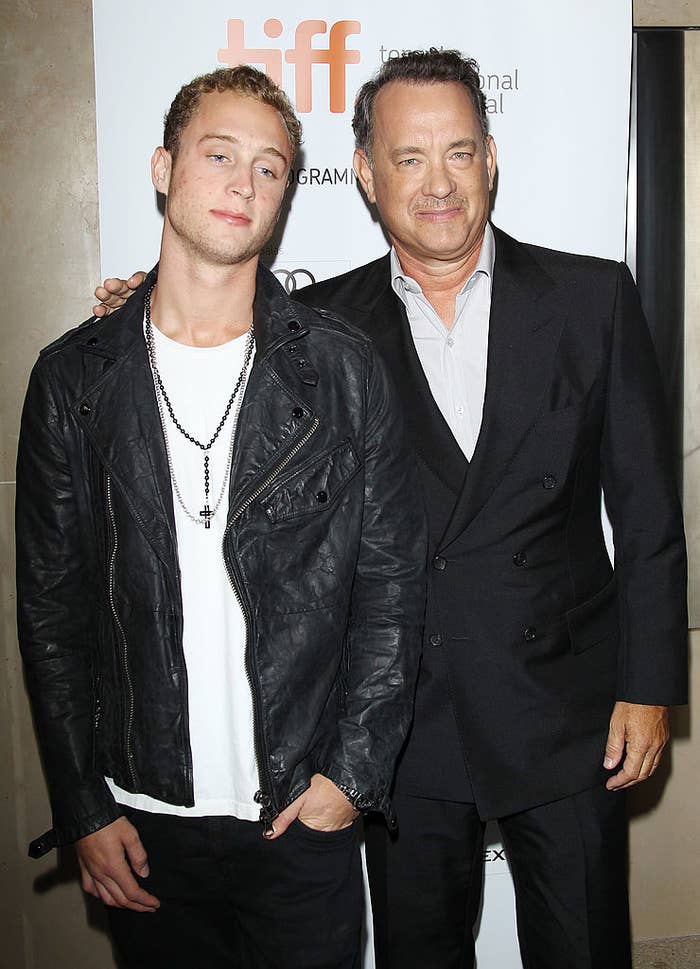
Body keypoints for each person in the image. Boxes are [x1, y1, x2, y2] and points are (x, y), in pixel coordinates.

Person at [93, 50, 688, 969]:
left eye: (459, 152)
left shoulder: (592, 297)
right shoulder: (313, 327)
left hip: (565, 713)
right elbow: (199, 313)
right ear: (367, 174)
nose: (439, 183)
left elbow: (648, 513)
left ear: (491, 157)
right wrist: (140, 303)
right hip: (404, 727)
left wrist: (649, 686)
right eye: (409, 158)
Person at [16, 65, 426, 969]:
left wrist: (349, 779)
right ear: (164, 167)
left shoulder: (344, 372)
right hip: (142, 819)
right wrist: (83, 803)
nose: (245, 183)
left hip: (299, 815)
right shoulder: (73, 381)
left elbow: (392, 589)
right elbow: (53, 612)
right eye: (219, 154)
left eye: (271, 167)